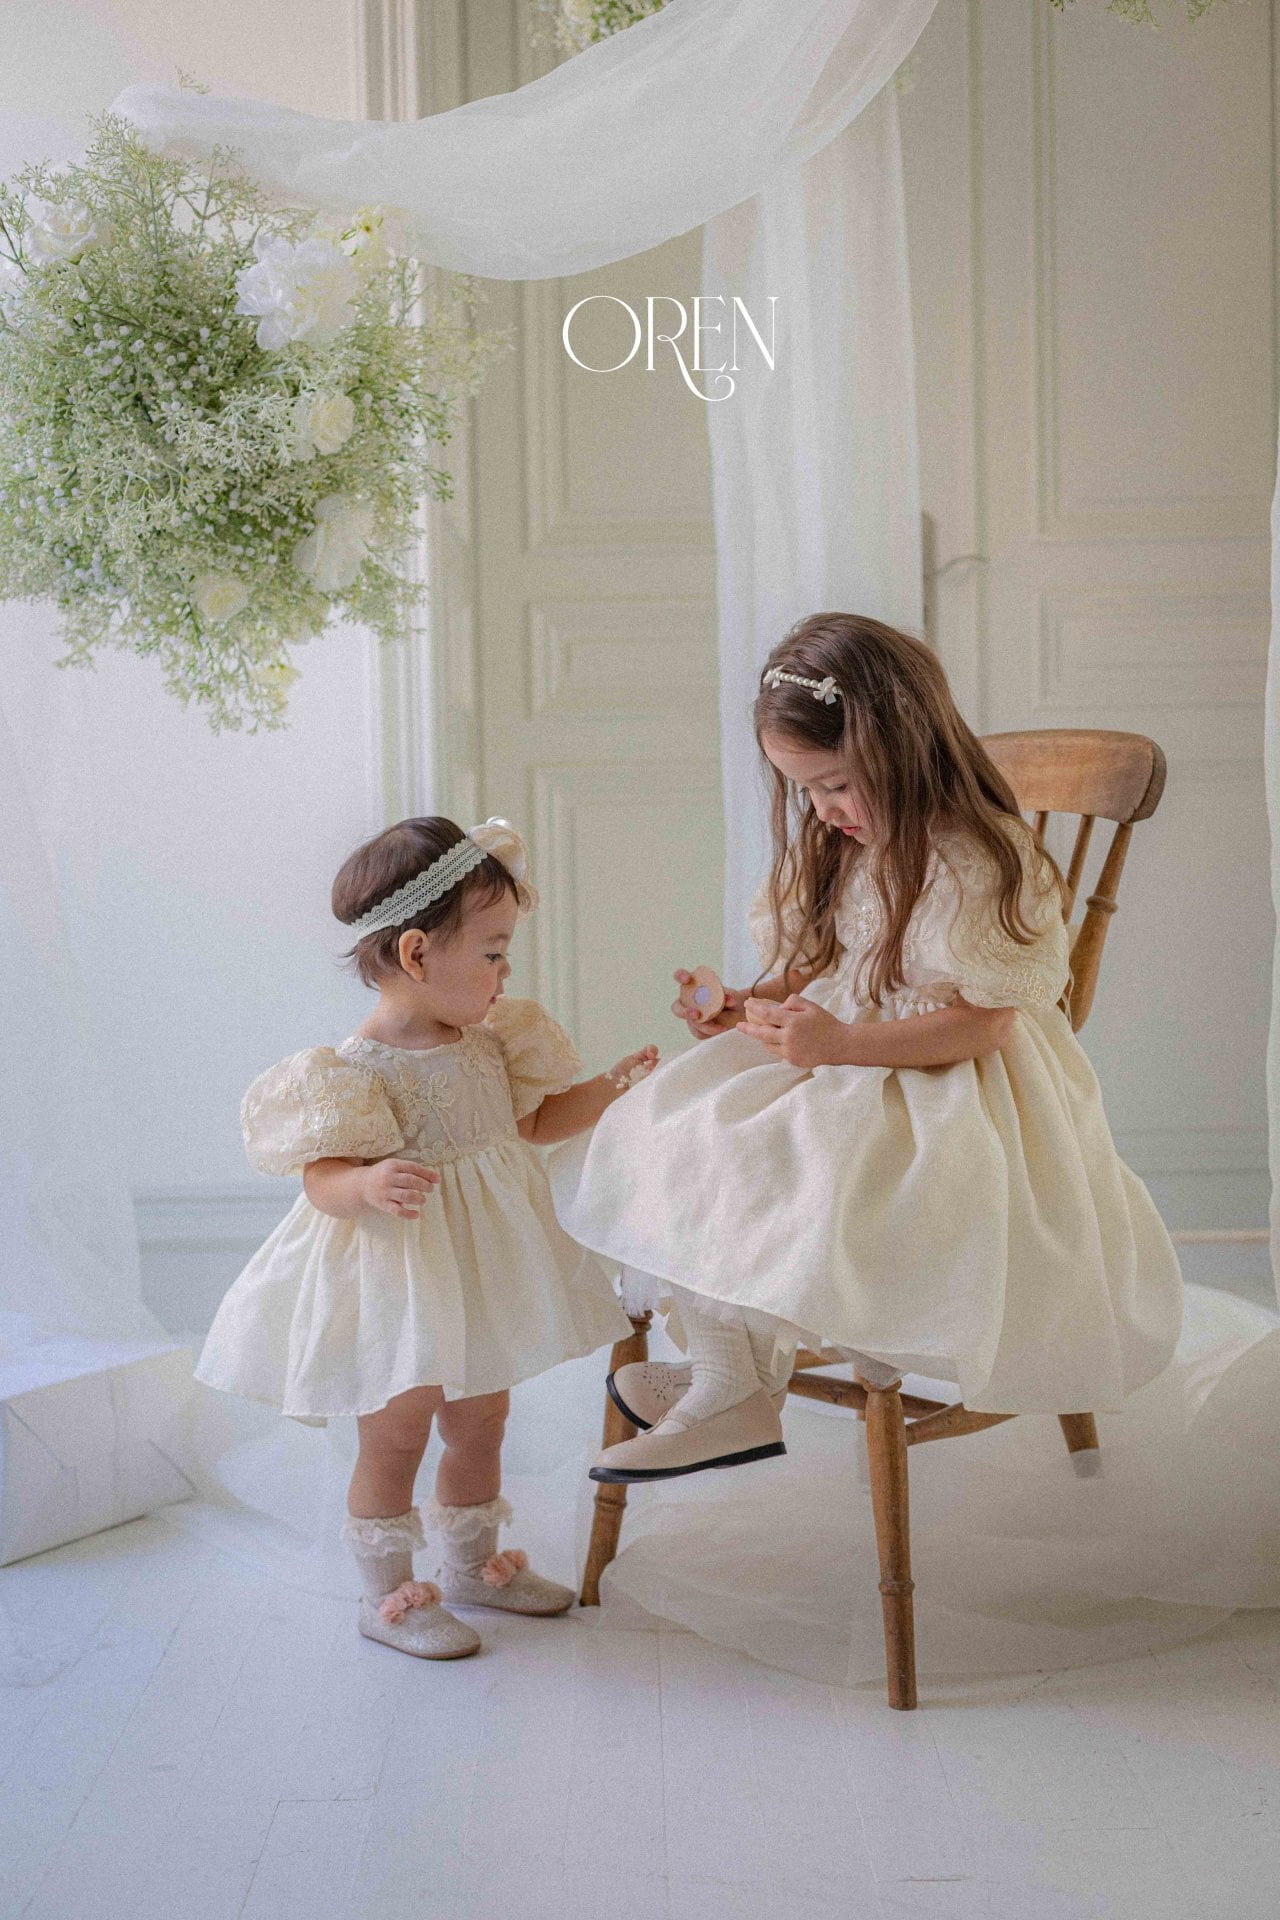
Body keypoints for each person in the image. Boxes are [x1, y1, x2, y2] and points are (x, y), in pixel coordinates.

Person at [550, 613, 1183, 1482]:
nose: (823, 810)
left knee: (787, 1150)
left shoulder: (982, 861)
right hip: (841, 1049)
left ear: (903, 747)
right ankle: (732, 1371)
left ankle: (736, 1380)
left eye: (838, 784)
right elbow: (823, 964)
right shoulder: (839, 846)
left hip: (947, 1077)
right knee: (678, 1120)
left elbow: (987, 1023)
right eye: (805, 790)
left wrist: (845, 1042)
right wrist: (747, 1001)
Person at [197, 815, 655, 1657]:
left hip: (480, 1266)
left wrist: (613, 1089)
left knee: (482, 1418)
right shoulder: (353, 1072)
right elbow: (321, 1180)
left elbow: (536, 1123)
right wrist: (366, 1183)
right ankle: (388, 1595)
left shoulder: (492, 1043)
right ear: (416, 955)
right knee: (397, 1431)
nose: (505, 971)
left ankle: (474, 1566)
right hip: (401, 1277)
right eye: (492, 953)